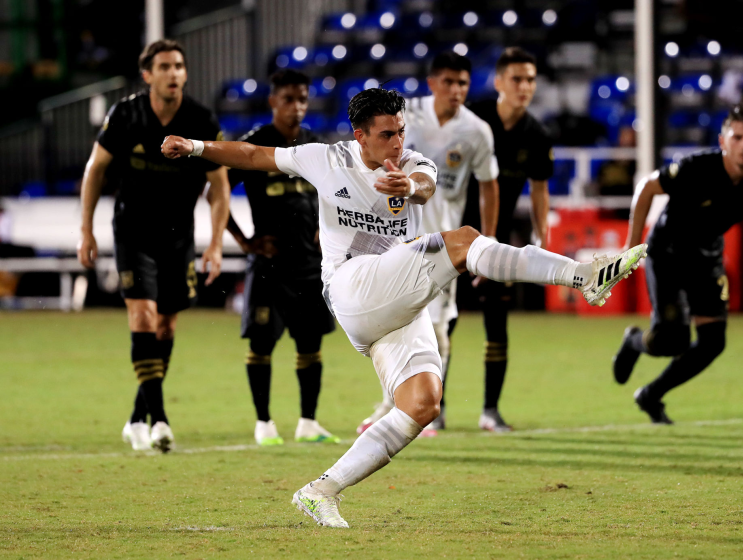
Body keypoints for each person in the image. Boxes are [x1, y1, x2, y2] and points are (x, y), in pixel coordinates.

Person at [161, 87, 646, 528]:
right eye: (387, 134)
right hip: (350, 288)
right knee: (464, 241)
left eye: (401, 132)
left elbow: (426, 184)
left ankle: (320, 490)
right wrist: (197, 148)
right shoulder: (324, 159)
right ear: (360, 137)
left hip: (392, 299)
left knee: (422, 403)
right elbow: (250, 154)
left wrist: (410, 187)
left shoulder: (415, 162)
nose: (397, 143)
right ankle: (581, 276)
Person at [77, 39, 230, 452]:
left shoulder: (199, 118)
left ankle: (135, 418)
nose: (174, 73)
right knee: (143, 317)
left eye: (179, 65)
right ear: (148, 75)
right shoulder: (125, 115)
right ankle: (160, 420)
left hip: (178, 238)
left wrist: (215, 243)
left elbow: (219, 185)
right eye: (164, 66)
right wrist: (86, 230)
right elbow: (95, 170)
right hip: (132, 232)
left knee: (165, 327)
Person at [612, 106, 743, 424]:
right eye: (737, 137)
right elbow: (646, 187)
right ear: (722, 141)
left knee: (713, 342)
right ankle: (633, 341)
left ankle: (650, 395)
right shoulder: (697, 167)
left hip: (706, 258)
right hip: (667, 253)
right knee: (672, 341)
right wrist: (632, 246)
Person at [356, 51, 499, 437]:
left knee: (437, 328)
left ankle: (416, 410)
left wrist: (487, 241)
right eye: (449, 82)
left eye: (463, 83)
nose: (456, 90)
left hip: (441, 243)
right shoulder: (402, 117)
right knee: (390, 324)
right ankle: (398, 407)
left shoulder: (477, 132)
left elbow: (488, 185)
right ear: (433, 82)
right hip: (392, 237)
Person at [225, 69, 338, 445]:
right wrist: (244, 240)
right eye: (289, 99)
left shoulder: (313, 145)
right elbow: (216, 191)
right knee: (261, 344)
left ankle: (308, 422)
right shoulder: (257, 144)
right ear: (273, 101)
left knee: (311, 344)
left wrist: (328, 227)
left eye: (303, 99)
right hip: (269, 269)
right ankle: (264, 423)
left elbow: (334, 194)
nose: (297, 107)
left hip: (310, 265)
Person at [464, 47, 555, 431]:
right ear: (499, 82)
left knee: (497, 325)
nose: (525, 86)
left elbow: (539, 191)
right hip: (454, 236)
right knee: (441, 325)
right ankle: (437, 408)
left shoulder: (536, 134)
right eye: (517, 79)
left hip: (496, 243)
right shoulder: (472, 121)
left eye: (531, 79)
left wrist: (544, 240)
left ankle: (490, 411)